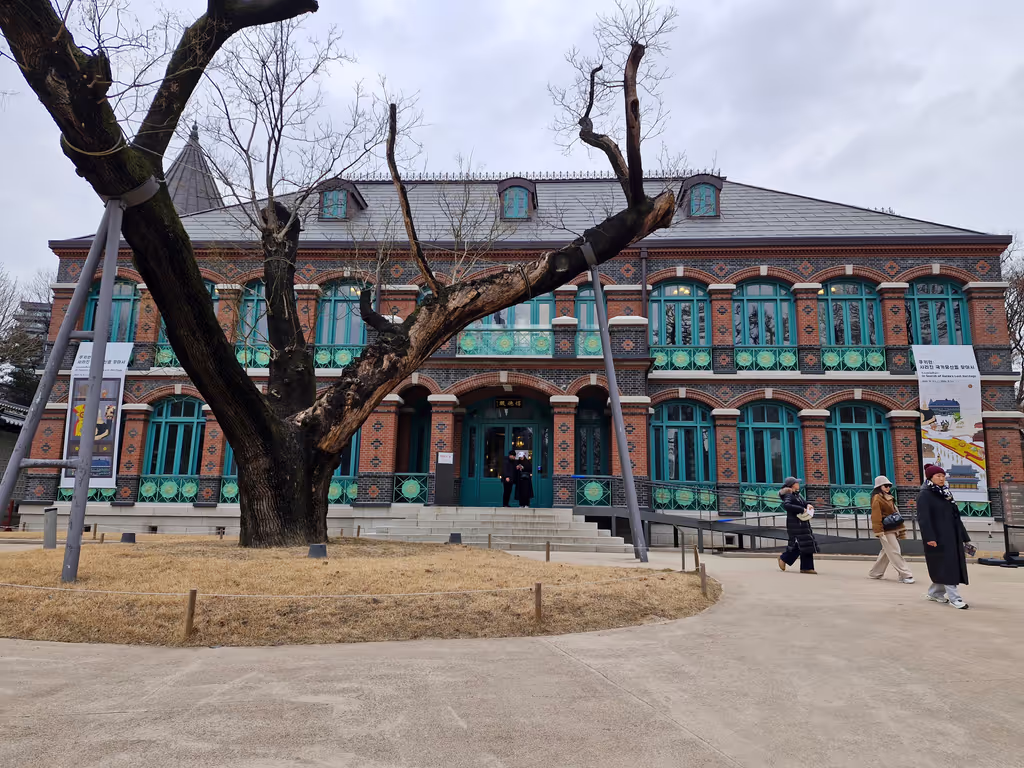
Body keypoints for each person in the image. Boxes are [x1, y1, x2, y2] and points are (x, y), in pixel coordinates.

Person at [917, 464, 973, 609]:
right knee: (948, 566)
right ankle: (955, 598)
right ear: (930, 477)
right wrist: (930, 538)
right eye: (938, 476)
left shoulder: (945, 493)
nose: (942, 479)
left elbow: (956, 515)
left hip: (952, 535)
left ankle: (935, 593)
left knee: (946, 565)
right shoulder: (925, 494)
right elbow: (924, 519)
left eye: (943, 476)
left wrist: (963, 536)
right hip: (938, 537)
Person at [868, 475, 914, 583]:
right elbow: (876, 516)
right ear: (879, 486)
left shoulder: (889, 497)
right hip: (885, 529)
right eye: (886, 485)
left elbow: (895, 513)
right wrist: (878, 531)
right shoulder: (877, 498)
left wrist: (901, 529)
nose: (888, 488)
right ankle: (905, 574)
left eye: (889, 485)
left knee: (887, 552)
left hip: (892, 527)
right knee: (894, 550)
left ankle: (875, 572)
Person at [777, 477, 818, 574]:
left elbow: (804, 503)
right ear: (792, 485)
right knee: (799, 544)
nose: (798, 484)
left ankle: (807, 567)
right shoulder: (789, 495)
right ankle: (783, 558)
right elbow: (787, 505)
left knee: (807, 544)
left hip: (802, 522)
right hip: (795, 524)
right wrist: (802, 509)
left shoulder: (797, 495)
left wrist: (808, 505)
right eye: (796, 483)